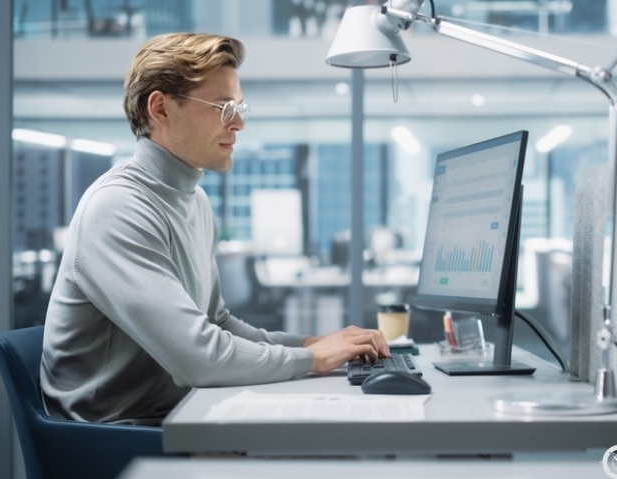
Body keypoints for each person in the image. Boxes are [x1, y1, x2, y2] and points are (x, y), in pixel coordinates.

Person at [41, 32, 389, 426]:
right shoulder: (118, 208)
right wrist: (314, 358)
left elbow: (217, 324)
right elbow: (199, 359)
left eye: (239, 107)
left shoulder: (194, 201)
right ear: (161, 108)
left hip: (176, 413)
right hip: (115, 440)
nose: (238, 123)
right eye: (223, 107)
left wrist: (311, 344)